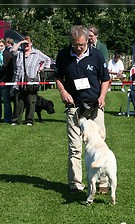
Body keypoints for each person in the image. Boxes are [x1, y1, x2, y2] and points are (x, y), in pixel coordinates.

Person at [55, 25, 111, 193]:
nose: (78, 48)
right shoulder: (64, 55)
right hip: (73, 106)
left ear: (88, 40)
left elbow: (105, 79)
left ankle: (102, 183)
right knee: (74, 147)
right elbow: (58, 77)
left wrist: (102, 96)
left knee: (99, 144)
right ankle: (75, 183)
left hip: (95, 106)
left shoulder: (97, 55)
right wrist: (63, 91)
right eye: (74, 44)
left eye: (81, 44)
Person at [10, 36, 51, 126]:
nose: (26, 45)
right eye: (24, 44)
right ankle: (16, 120)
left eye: (27, 43)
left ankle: (29, 120)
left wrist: (42, 68)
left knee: (30, 101)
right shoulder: (19, 53)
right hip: (19, 80)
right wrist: (20, 42)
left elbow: (48, 59)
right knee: (18, 102)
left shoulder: (37, 53)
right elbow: (12, 51)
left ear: (31, 43)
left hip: (32, 81)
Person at [0, 38, 14, 123]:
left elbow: (11, 70)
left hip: (5, 81)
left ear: (4, 45)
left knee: (6, 101)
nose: (0, 47)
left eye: (1, 46)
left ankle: (7, 118)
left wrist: (8, 82)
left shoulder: (8, 55)